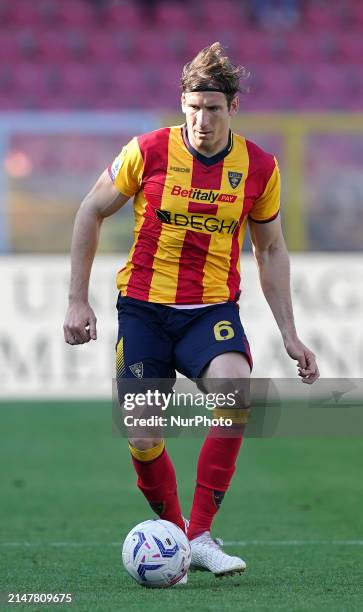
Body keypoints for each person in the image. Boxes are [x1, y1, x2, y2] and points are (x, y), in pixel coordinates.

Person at [63, 42, 319, 581]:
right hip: (143, 311)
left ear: (233, 109)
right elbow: (90, 210)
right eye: (195, 107)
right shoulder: (148, 151)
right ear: (182, 104)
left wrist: (291, 334)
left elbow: (269, 250)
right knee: (142, 432)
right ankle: (179, 534)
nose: (203, 119)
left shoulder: (259, 167)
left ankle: (199, 535)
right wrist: (76, 298)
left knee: (236, 393)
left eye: (215, 109)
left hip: (210, 313)